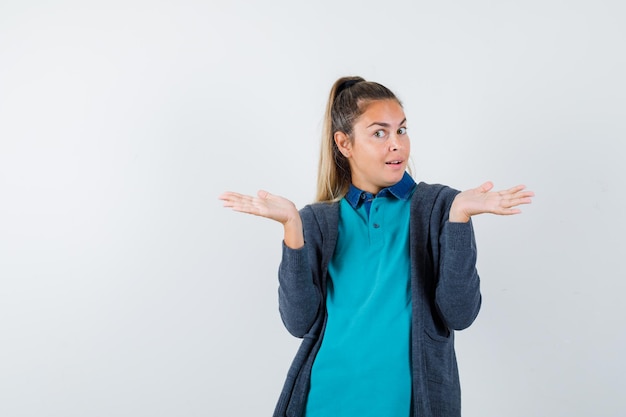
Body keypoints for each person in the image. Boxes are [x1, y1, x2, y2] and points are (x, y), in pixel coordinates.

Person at [219, 76, 534, 417]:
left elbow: (459, 315)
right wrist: (292, 227)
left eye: (401, 130)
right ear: (344, 144)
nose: (396, 144)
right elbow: (299, 323)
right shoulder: (317, 221)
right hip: (326, 400)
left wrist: (458, 219)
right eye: (379, 133)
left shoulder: (440, 206)